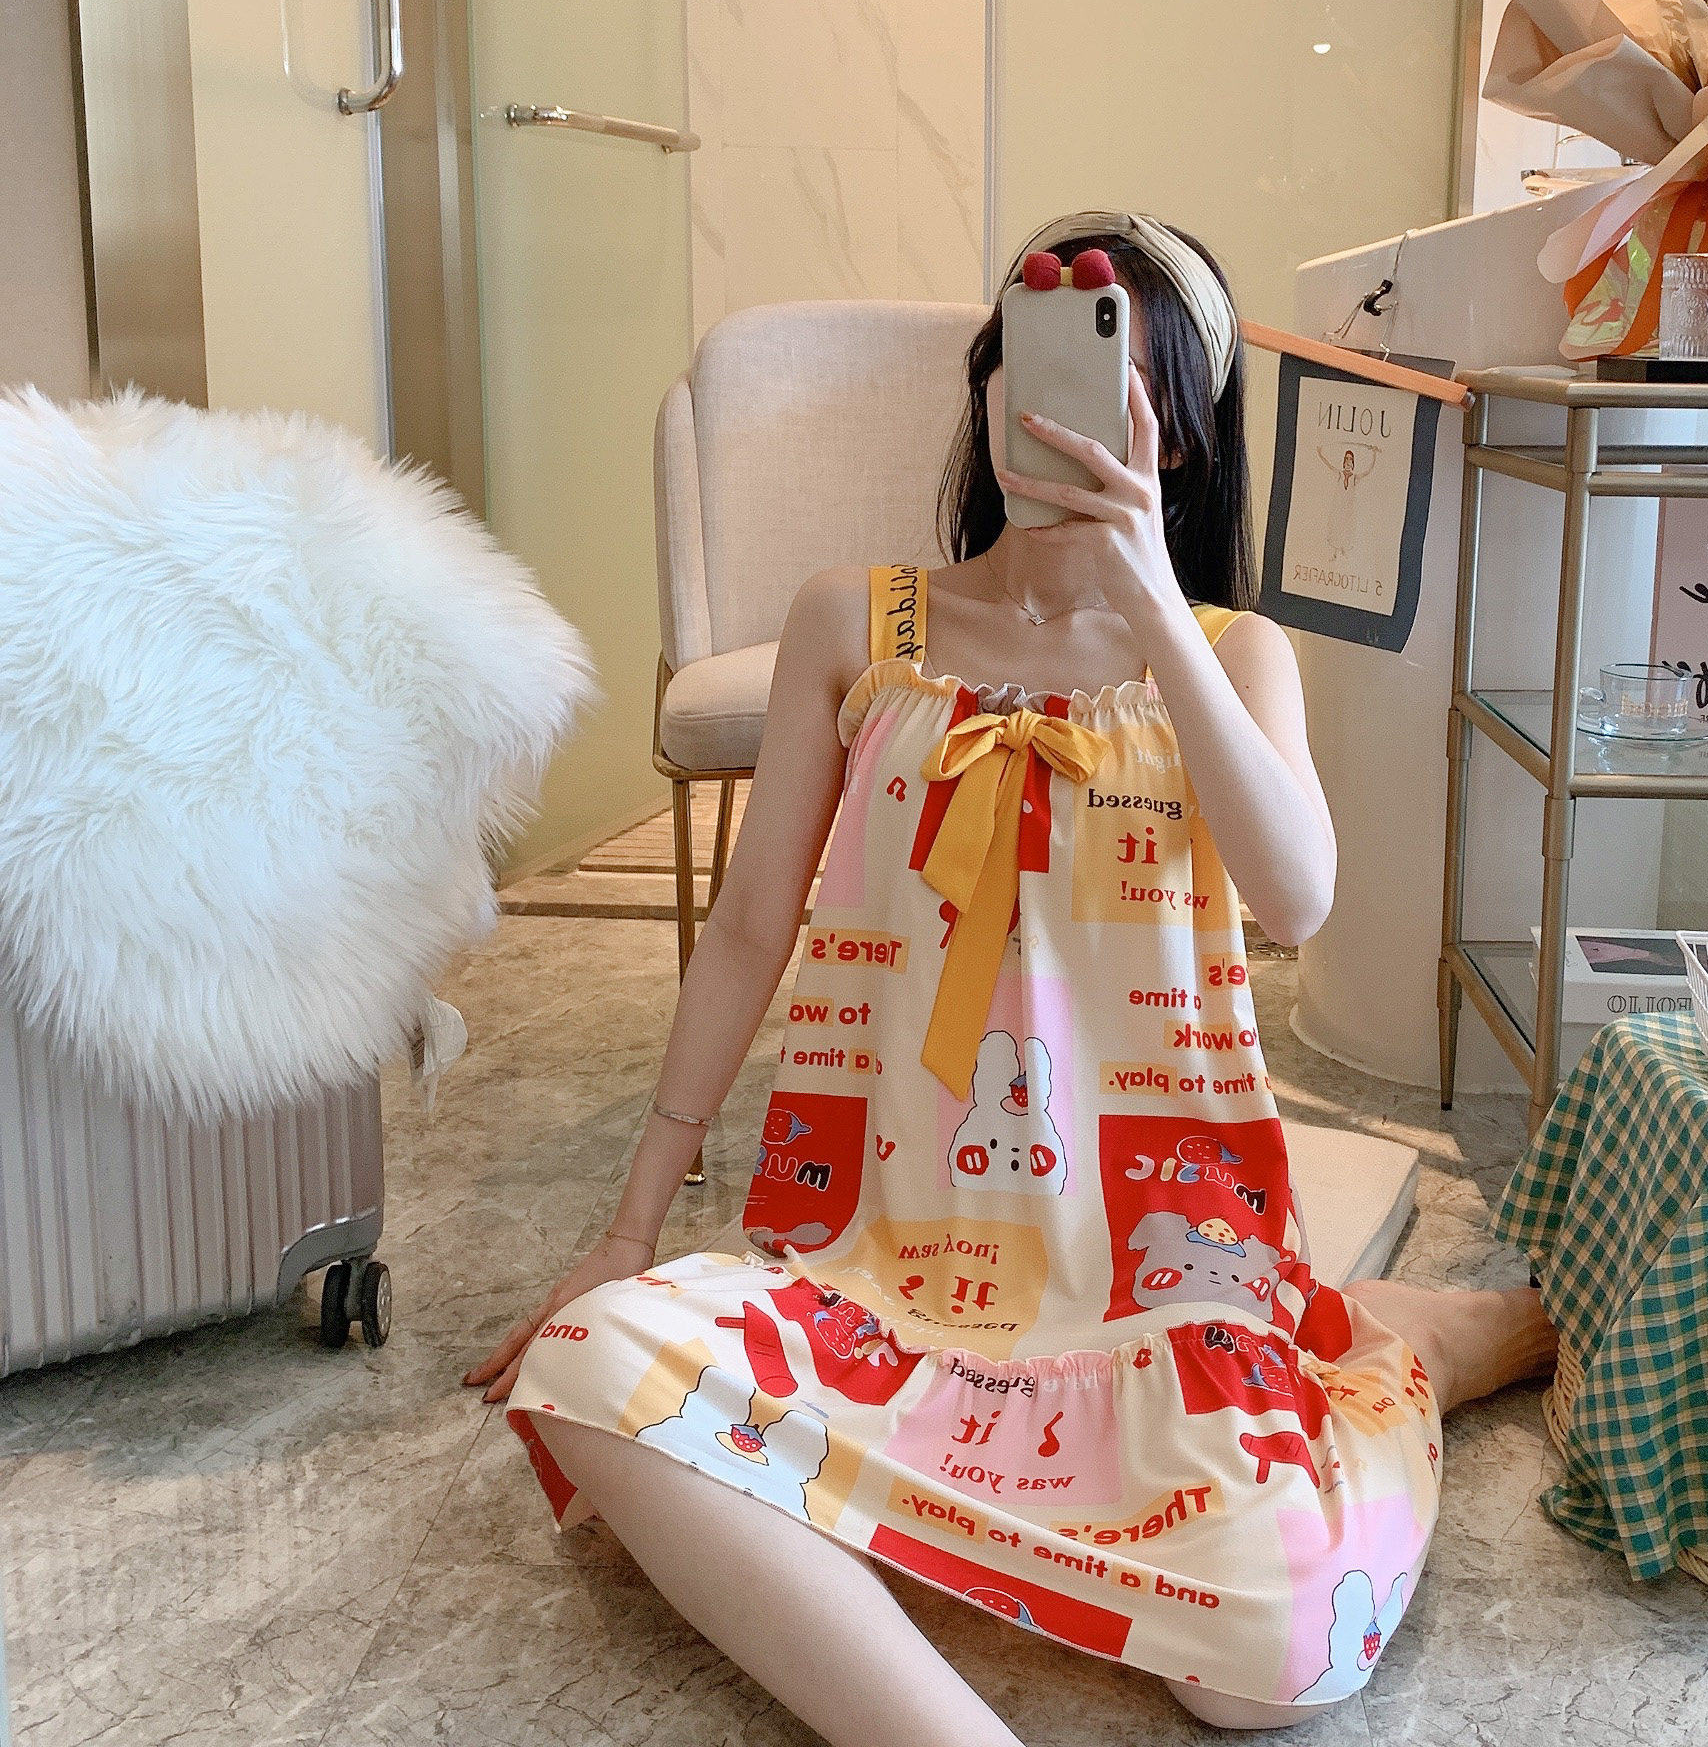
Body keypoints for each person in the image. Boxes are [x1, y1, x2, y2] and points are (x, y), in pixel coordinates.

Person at [466, 212, 1555, 1745]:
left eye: (1119, 377)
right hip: (878, 1268)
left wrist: (1149, 597)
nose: (1063, 409)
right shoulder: (853, 622)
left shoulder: (1232, 653)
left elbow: (1297, 899)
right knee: (592, 1368)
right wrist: (628, 1230)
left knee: (1273, 1660)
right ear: (986, 388)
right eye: (1027, 360)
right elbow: (750, 926)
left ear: (1182, 433)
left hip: (1150, 1294)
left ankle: (1403, 1347)